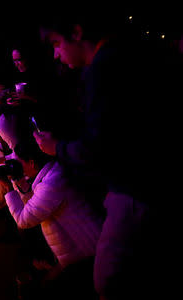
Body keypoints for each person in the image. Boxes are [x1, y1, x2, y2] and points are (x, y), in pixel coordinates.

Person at [35, 7, 179, 300]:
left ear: (76, 33)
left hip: (136, 188)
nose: (55, 54)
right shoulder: (130, 54)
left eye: (55, 44)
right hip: (149, 184)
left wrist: (56, 148)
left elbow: (101, 147)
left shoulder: (103, 69)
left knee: (109, 279)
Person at [0, 140, 103, 299]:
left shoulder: (51, 184)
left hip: (85, 252)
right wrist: (18, 181)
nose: (17, 166)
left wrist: (8, 188)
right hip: (79, 246)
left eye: (19, 163)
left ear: (31, 163)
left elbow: (24, 219)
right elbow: (33, 203)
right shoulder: (51, 173)